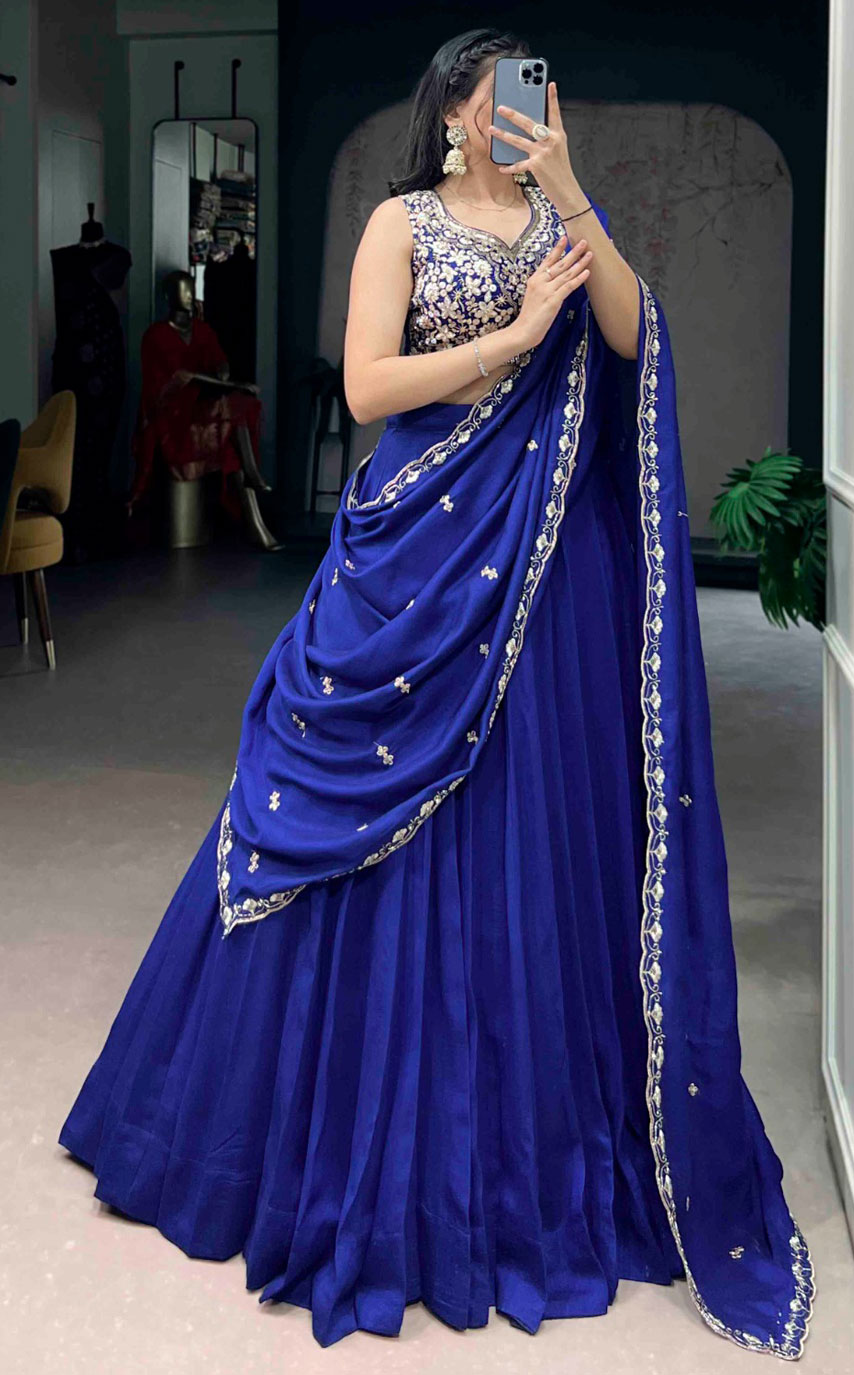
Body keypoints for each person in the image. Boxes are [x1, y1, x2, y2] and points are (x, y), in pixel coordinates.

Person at [58, 29, 814, 1358]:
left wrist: (570, 193)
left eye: (543, 92)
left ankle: (524, 1137)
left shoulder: (565, 220)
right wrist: (511, 337)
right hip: (418, 551)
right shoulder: (400, 223)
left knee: (533, 827)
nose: (526, 110)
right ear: (454, 110)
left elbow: (635, 336)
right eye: (503, 94)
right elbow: (366, 386)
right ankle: (304, 1132)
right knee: (345, 799)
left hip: (547, 574)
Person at [129, 270, 280, 550]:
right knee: (234, 401)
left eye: (190, 288)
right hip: (171, 413)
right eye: (181, 289)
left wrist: (223, 371)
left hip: (202, 410)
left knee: (233, 431)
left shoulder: (202, 330)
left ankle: (254, 512)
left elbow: (218, 359)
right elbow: (178, 378)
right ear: (168, 296)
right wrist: (231, 384)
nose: (188, 295)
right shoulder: (156, 335)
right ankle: (253, 480)